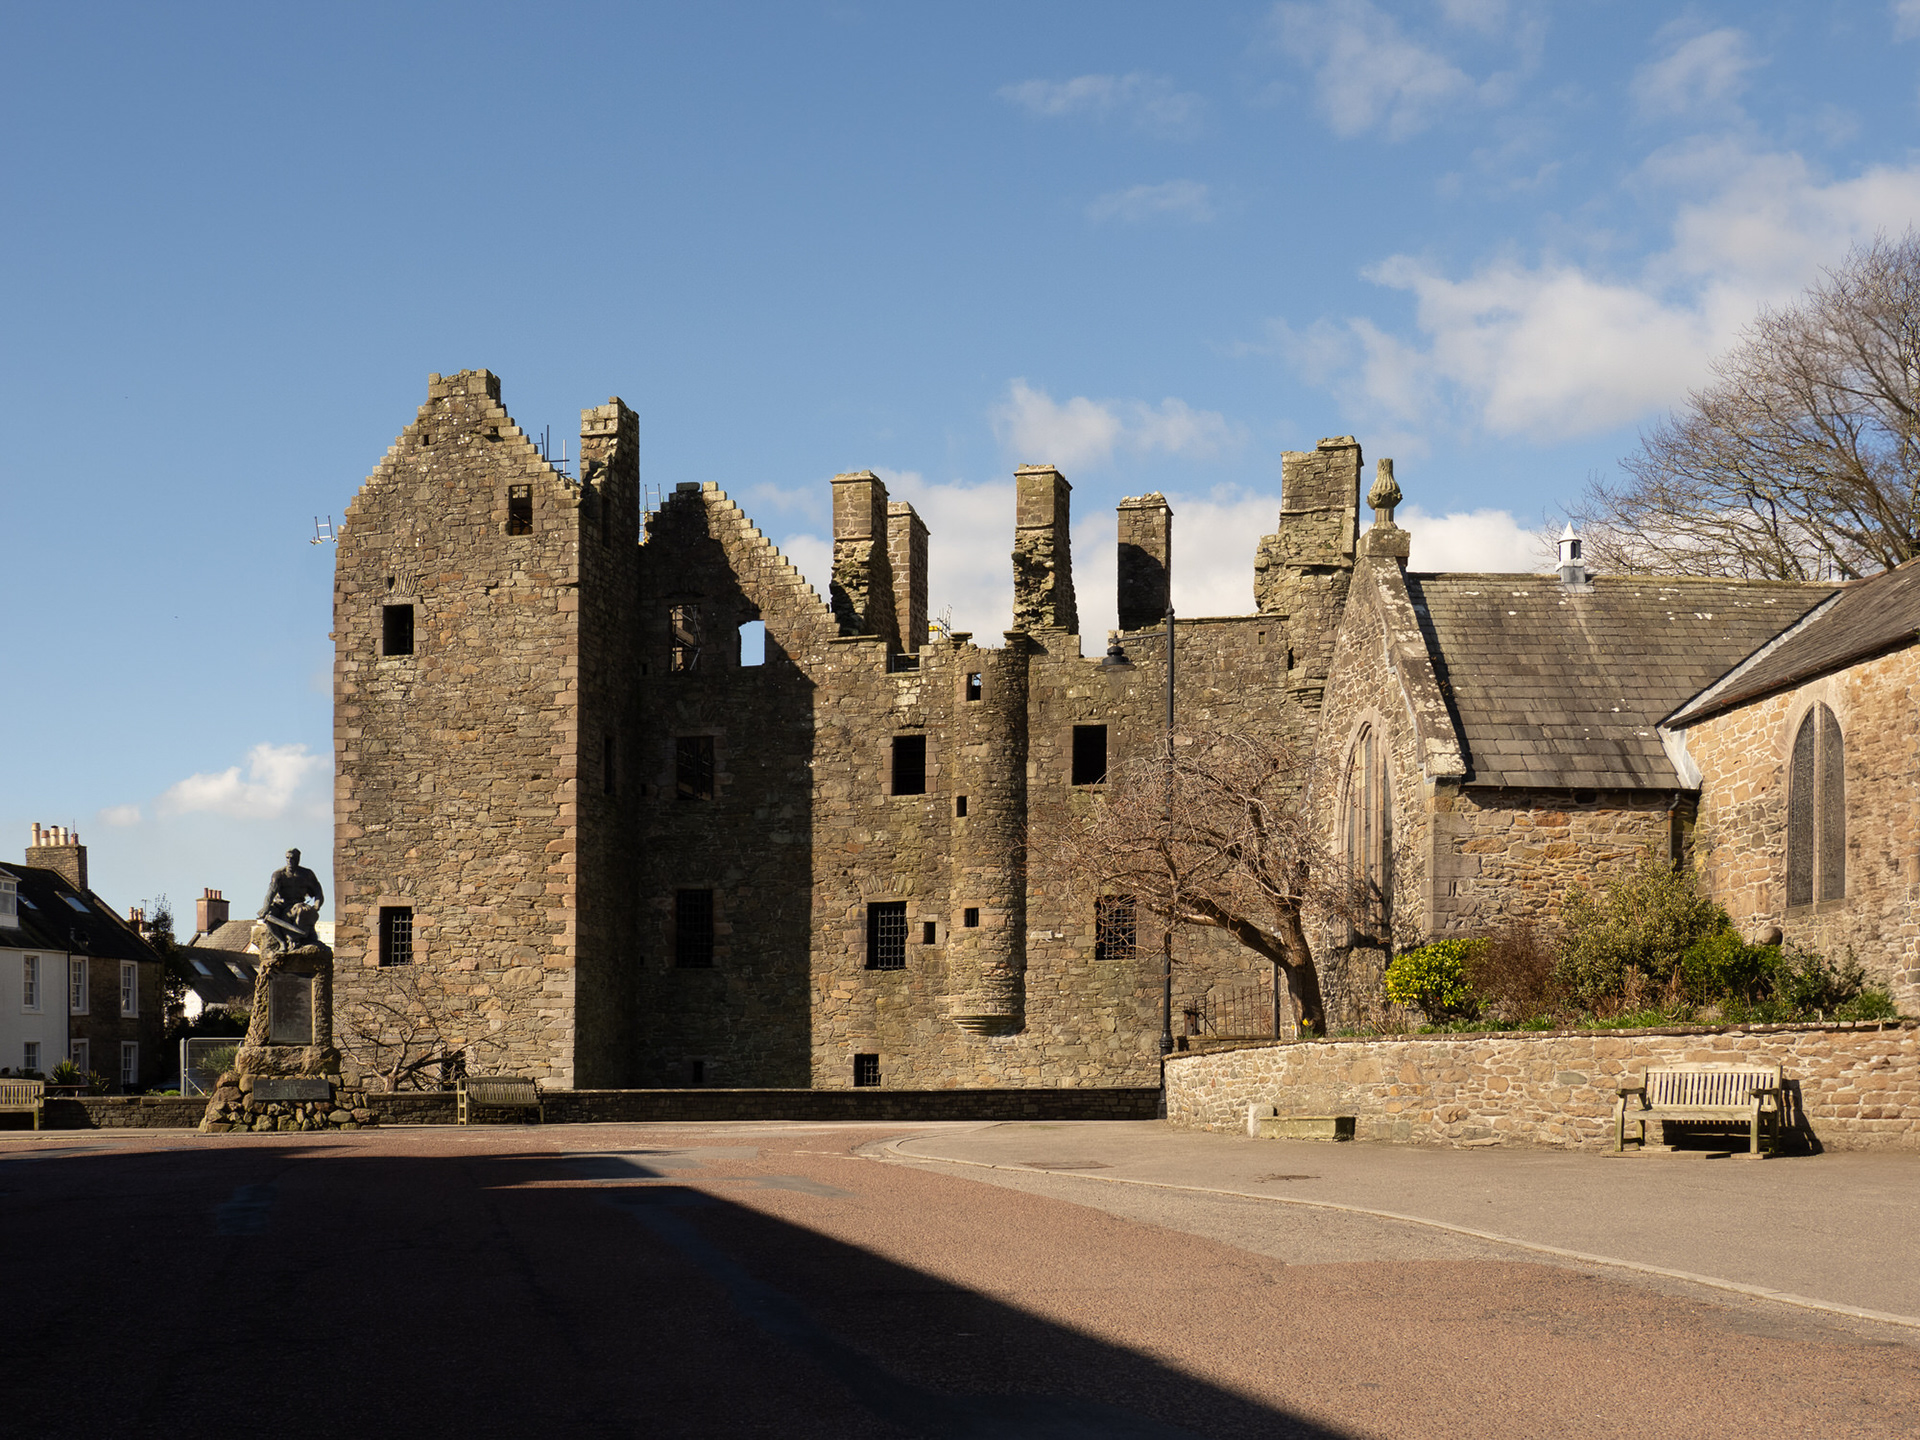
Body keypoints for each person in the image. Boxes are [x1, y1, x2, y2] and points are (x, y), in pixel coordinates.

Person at [258, 847, 326, 950]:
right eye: (288, 858)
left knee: (301, 911)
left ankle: (295, 939)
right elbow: (270, 893)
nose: (290, 861)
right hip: (281, 904)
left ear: (298, 859)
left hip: (297, 903)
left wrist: (316, 906)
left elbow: (318, 892)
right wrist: (265, 908)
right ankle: (282, 942)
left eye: (293, 858)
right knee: (269, 916)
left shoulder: (306, 874)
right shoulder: (279, 874)